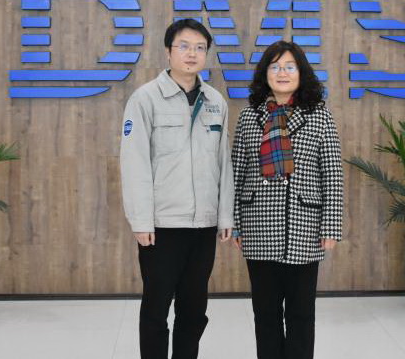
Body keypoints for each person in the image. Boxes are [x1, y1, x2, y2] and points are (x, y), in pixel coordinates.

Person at [120, 18, 234, 359]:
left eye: (200, 48)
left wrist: (225, 215)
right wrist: (141, 220)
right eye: (184, 46)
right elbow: (134, 163)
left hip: (203, 226)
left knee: (194, 310)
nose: (192, 53)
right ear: (168, 52)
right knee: (156, 310)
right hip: (162, 226)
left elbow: (223, 163)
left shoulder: (215, 101)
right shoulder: (145, 99)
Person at [231, 40, 344, 359]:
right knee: (265, 314)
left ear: (301, 73)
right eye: (275, 66)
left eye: (290, 67)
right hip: (258, 225)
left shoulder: (319, 116)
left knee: (301, 314)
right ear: (265, 73)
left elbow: (332, 173)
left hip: (304, 226)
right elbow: (236, 172)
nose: (282, 73)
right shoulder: (249, 116)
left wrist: (331, 226)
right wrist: (235, 223)